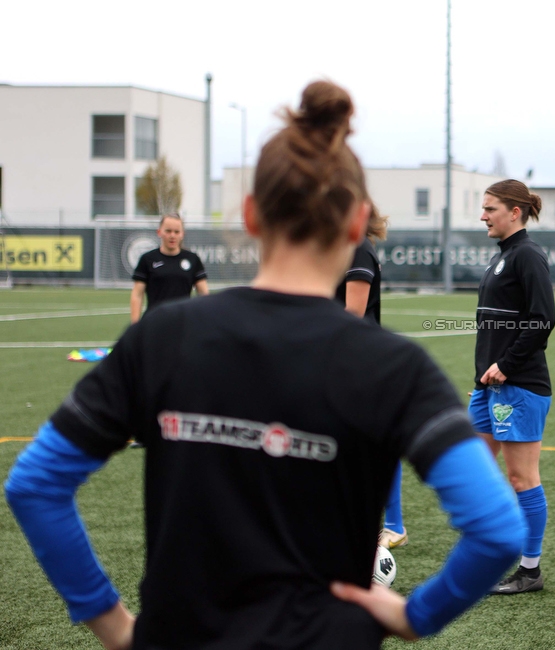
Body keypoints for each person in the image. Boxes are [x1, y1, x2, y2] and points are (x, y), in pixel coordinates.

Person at [5, 80, 524, 650]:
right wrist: (416, 615)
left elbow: (35, 485)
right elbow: (497, 530)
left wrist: (113, 624)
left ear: (251, 215)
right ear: (356, 224)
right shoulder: (393, 366)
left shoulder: (163, 337)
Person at [469, 179, 555, 595]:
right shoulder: (501, 257)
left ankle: (530, 570)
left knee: (522, 478)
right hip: (486, 387)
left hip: (518, 386)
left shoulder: (528, 255)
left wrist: (506, 364)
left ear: (514, 212)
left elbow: (543, 319)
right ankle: (489, 551)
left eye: (490, 208)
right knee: (473, 467)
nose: (483, 215)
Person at [335, 206, 407, 548]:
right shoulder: (339, 248)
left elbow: (353, 313)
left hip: (357, 362)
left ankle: (392, 524)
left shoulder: (358, 247)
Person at [129, 213, 208, 323]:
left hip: (183, 323)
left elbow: (203, 294)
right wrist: (135, 325)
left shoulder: (192, 259)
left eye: (176, 232)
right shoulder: (148, 259)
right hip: (154, 322)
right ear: (159, 232)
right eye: (168, 231)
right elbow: (137, 294)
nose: (172, 235)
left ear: (182, 234)